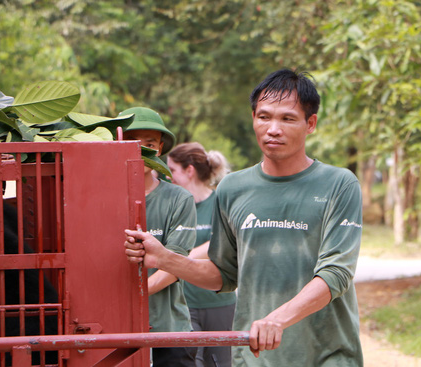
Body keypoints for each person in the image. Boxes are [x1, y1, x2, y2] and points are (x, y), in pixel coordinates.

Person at [125, 69, 364, 367]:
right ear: (253, 118)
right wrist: (164, 258)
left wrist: (276, 319)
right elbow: (224, 275)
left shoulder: (339, 184)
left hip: (327, 355)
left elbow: (337, 272)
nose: (273, 129)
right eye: (264, 117)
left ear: (310, 124)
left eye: (287, 118)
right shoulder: (233, 188)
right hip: (254, 357)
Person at [119, 107, 197, 367]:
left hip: (168, 330)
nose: (140, 150)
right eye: (132, 142)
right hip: (114, 330)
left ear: (160, 148)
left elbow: (176, 265)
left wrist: (132, 295)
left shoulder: (179, 199)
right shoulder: (101, 199)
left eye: (149, 144)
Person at [167, 142, 236, 367]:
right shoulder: (175, 206)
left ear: (189, 171)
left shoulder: (220, 202)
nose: (169, 177)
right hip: (184, 304)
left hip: (219, 302)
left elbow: (220, 244)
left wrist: (176, 260)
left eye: (173, 170)